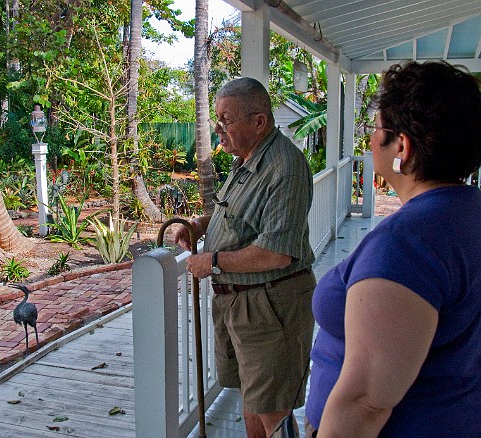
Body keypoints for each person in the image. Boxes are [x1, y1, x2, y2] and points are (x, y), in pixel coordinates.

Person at [305, 61, 481, 437]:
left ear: (402, 145)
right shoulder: (467, 212)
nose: (370, 140)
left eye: (375, 129)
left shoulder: (406, 245)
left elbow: (365, 402)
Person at [175, 77, 316, 438]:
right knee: (253, 399)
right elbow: (242, 218)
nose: (218, 128)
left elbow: (277, 251)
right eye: (217, 119)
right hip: (240, 303)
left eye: (226, 119)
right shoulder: (248, 158)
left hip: (269, 305)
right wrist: (201, 225)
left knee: (273, 410)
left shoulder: (285, 167)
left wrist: (214, 261)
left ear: (258, 122)